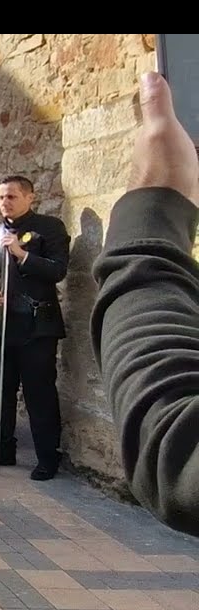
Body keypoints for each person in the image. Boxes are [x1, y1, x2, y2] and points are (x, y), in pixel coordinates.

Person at [91, 71, 199, 537]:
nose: (4, 203)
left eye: (11, 196)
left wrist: (155, 201)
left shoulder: (43, 231)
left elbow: (178, 459)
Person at [0, 174, 71, 480]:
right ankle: (1, 448)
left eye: (12, 196)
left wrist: (22, 254)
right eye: (1, 197)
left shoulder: (49, 228)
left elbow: (57, 270)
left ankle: (47, 457)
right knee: (0, 391)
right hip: (2, 325)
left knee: (39, 394)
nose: (5, 202)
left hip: (37, 326)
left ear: (29, 197)